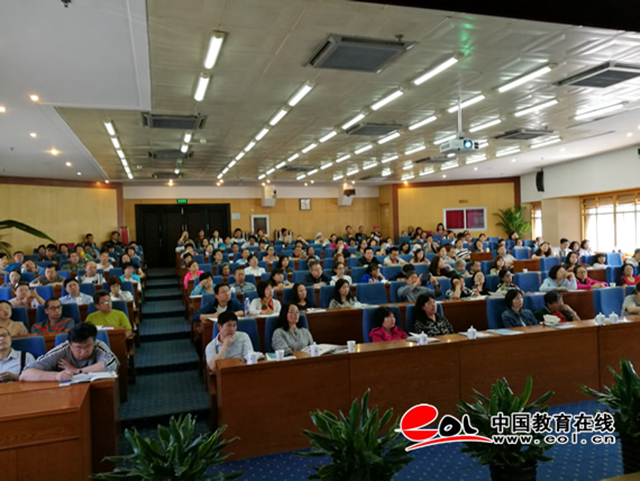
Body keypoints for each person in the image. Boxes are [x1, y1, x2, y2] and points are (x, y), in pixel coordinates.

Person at [20, 323, 119, 382]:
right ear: (70, 344)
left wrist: (77, 371)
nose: (83, 352)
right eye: (78, 348)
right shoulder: (62, 350)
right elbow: (25, 374)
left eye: (88, 346)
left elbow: (112, 363)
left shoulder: (98, 346)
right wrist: (56, 376)